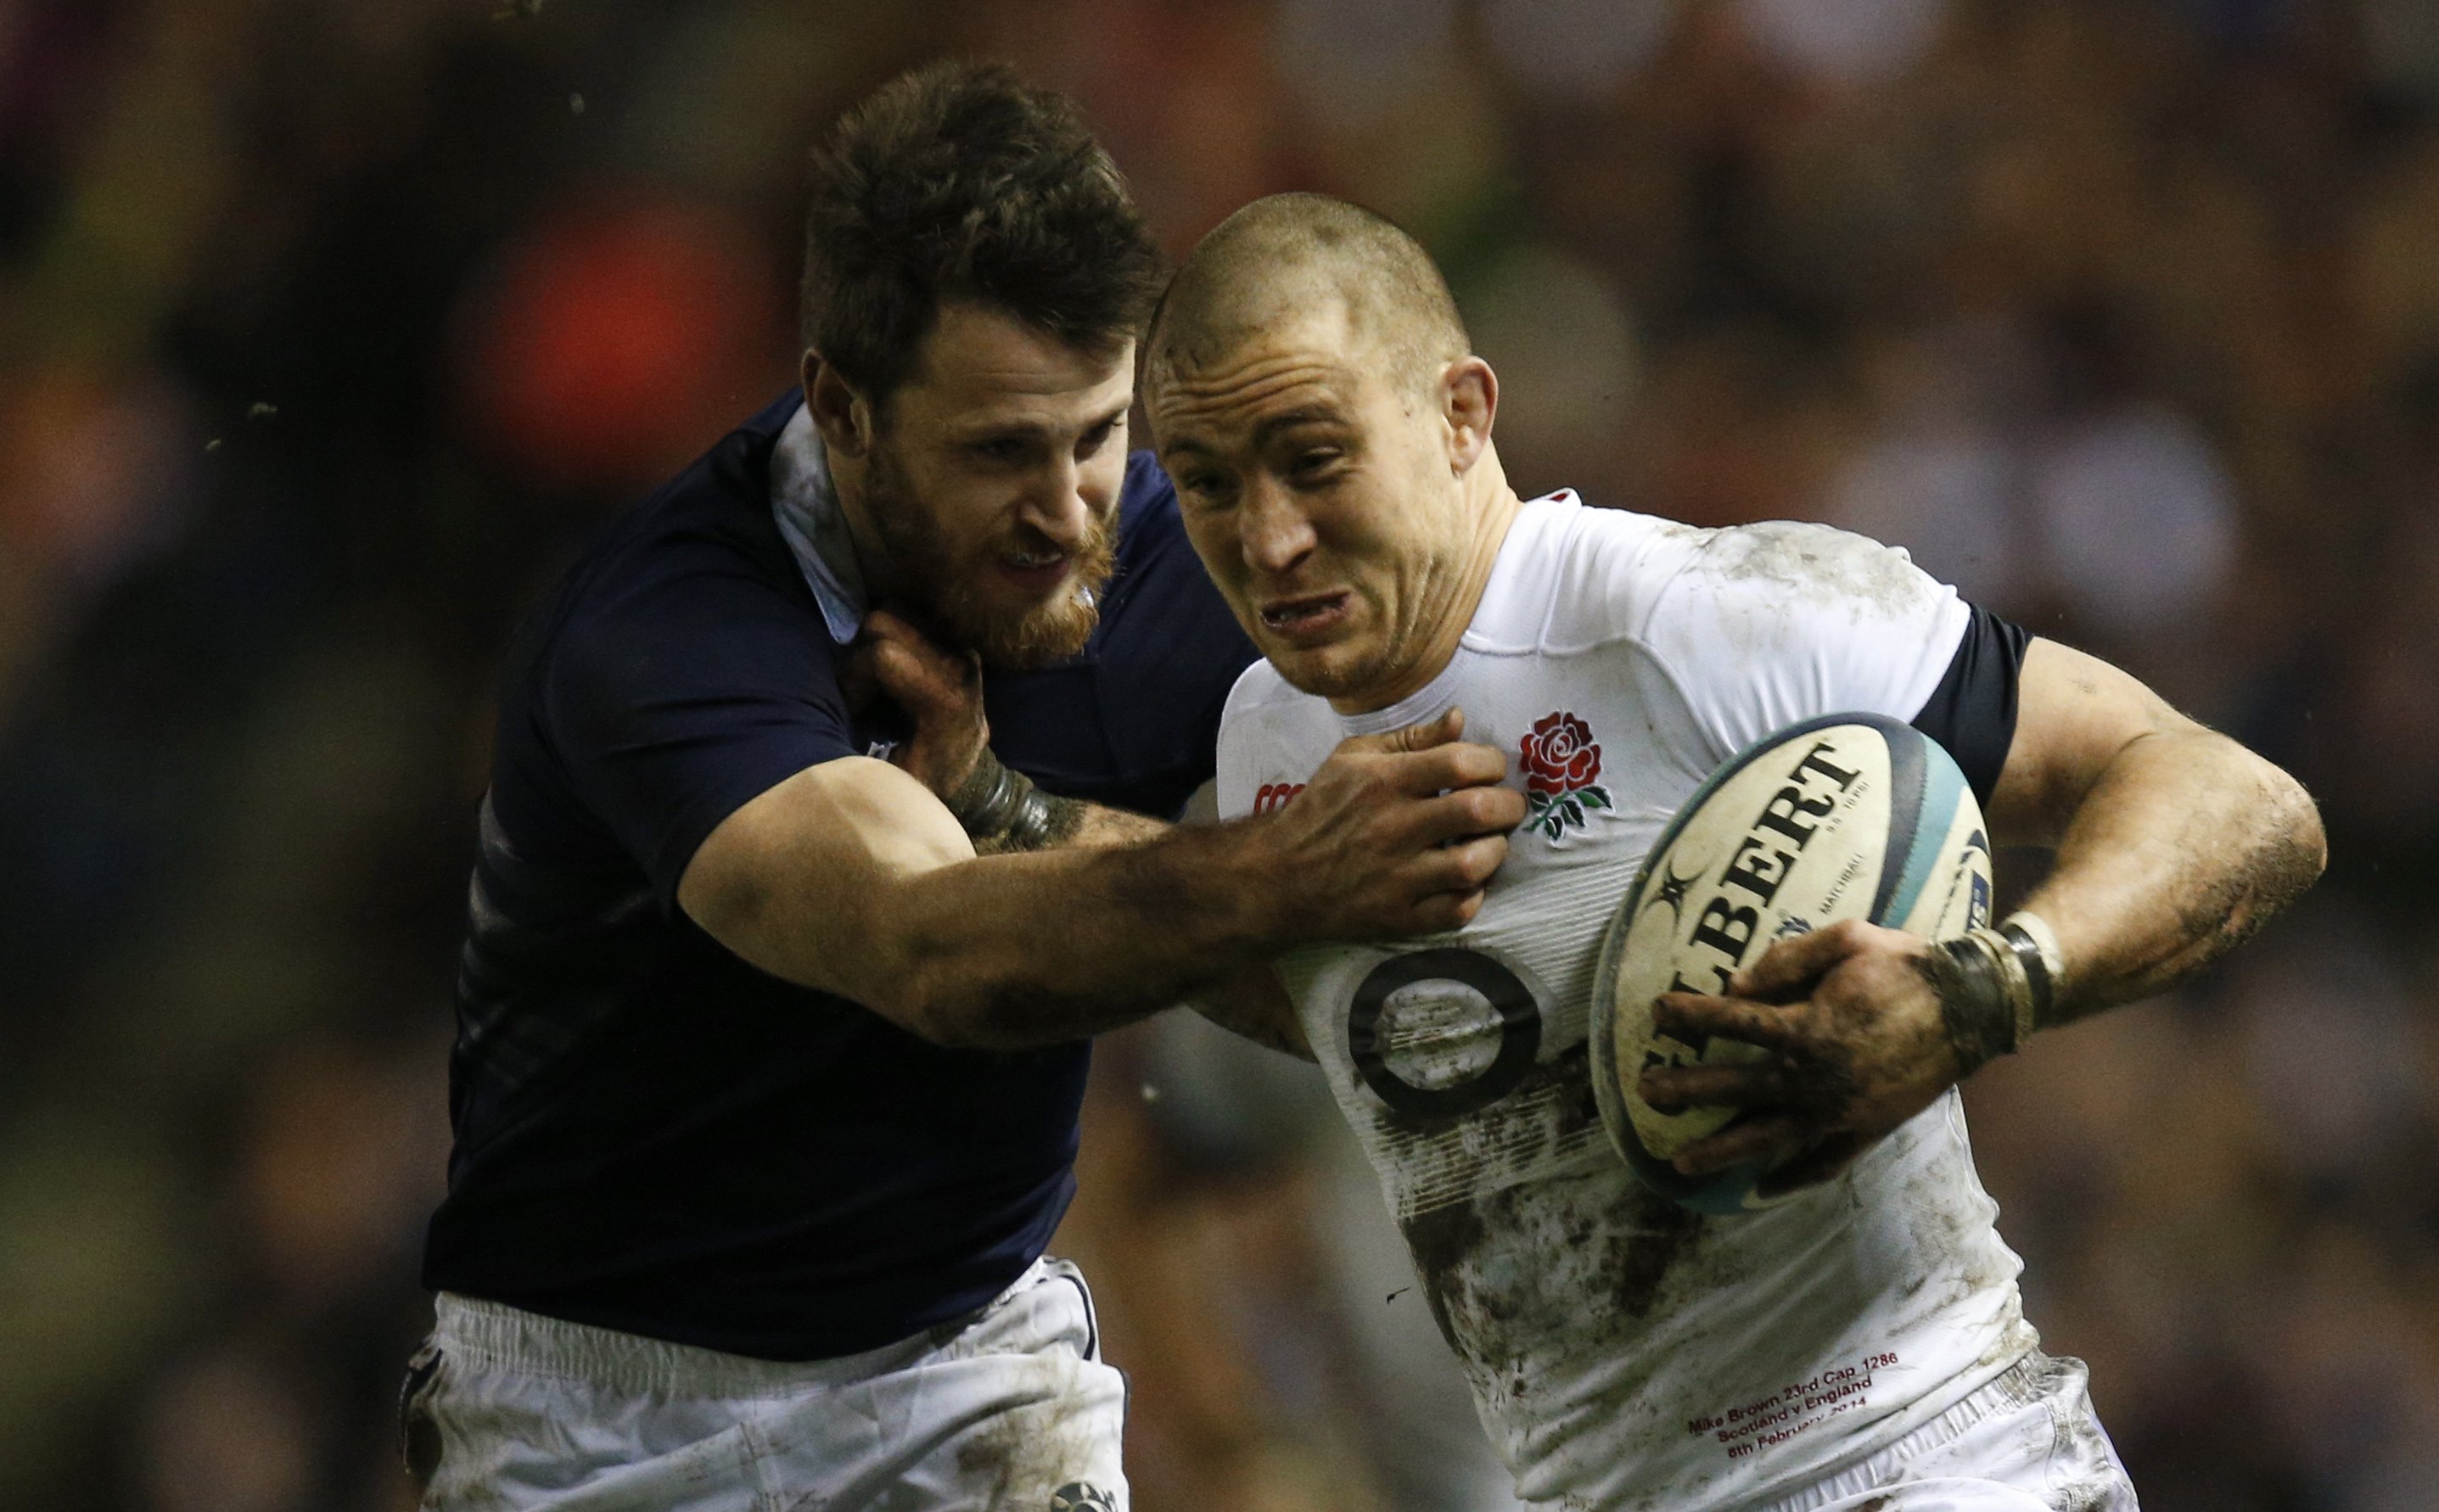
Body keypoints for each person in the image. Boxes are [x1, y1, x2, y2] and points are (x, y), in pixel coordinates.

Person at [405, 75, 1524, 1511]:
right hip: (609, 1418)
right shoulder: (669, 632)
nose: (1066, 510)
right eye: (999, 450)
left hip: (967, 1374)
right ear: (841, 407)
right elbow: (931, 948)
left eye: (1098, 431)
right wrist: (1294, 869)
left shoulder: (1155, 558)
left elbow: (1413, 921)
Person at [1144, 193, 2326, 1511]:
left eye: (1312, 458)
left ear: (1462, 412)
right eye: (1205, 482)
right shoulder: (1261, 743)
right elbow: (1334, 1016)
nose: (1265, 538)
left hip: (1927, 1461)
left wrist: (1981, 989)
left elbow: (2238, 796)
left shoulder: (1708, 619)